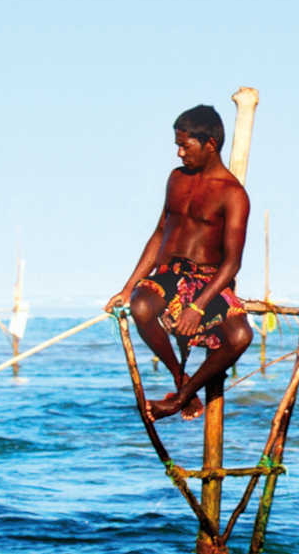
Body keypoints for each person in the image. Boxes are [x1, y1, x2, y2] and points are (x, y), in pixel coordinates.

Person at [106, 104, 254, 421]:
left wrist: (198, 306)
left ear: (210, 144)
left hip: (209, 279)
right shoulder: (176, 179)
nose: (179, 153)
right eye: (177, 145)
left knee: (241, 336)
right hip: (171, 273)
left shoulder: (233, 194)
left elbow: (232, 263)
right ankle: (179, 378)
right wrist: (128, 287)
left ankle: (181, 399)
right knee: (140, 307)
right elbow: (160, 233)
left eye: (184, 146)